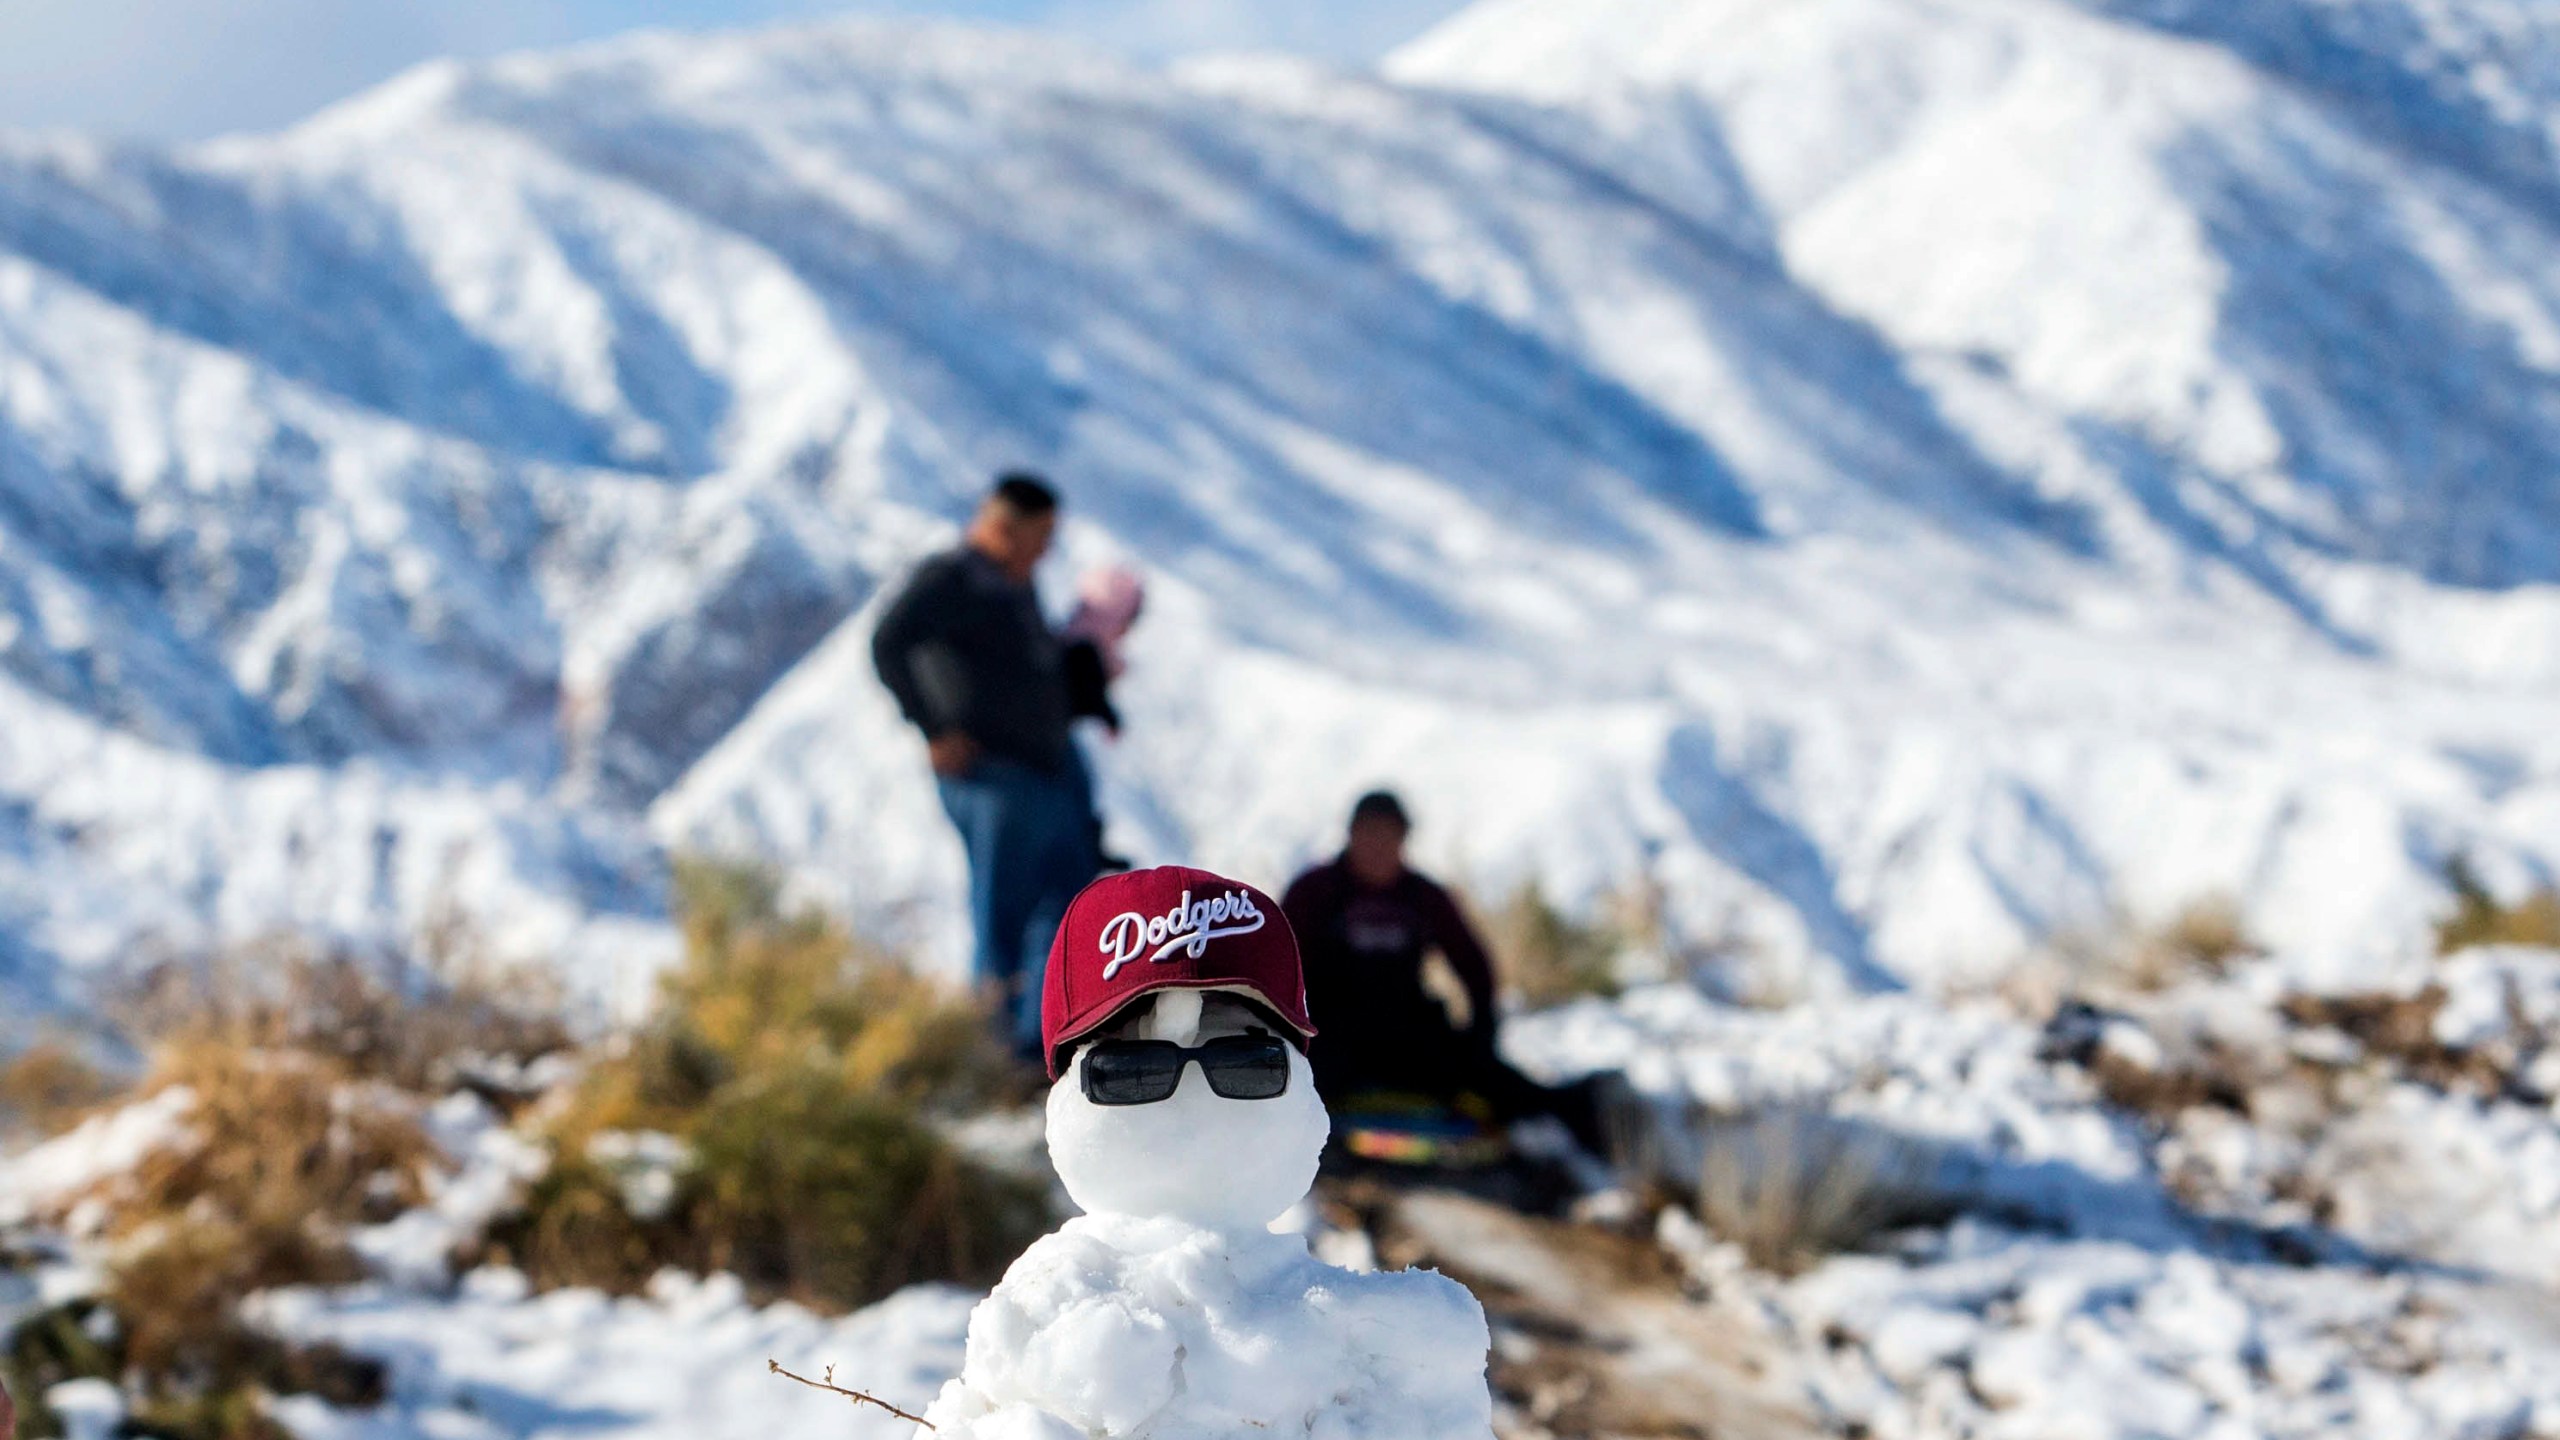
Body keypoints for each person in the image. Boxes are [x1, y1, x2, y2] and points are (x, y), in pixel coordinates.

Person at [873, 473, 1103, 1059]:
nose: (1047, 550)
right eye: (1040, 535)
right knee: (1005, 910)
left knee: (1064, 901)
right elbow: (889, 641)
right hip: (993, 778)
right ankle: (1000, 1053)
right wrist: (934, 727)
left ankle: (1045, 1040)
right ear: (1004, 527)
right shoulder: (951, 579)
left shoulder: (1011, 585)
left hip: (1040, 771)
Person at [1281, 791, 1608, 1156]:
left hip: (1408, 1035)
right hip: (1330, 1036)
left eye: (1388, 835)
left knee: (1483, 1075)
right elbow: (1273, 963)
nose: (1377, 845)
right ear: (1351, 834)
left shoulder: (1423, 896)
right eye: (1369, 832)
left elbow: (1472, 962)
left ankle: (1577, 1110)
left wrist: (1482, 1026)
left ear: (1404, 840)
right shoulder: (1312, 892)